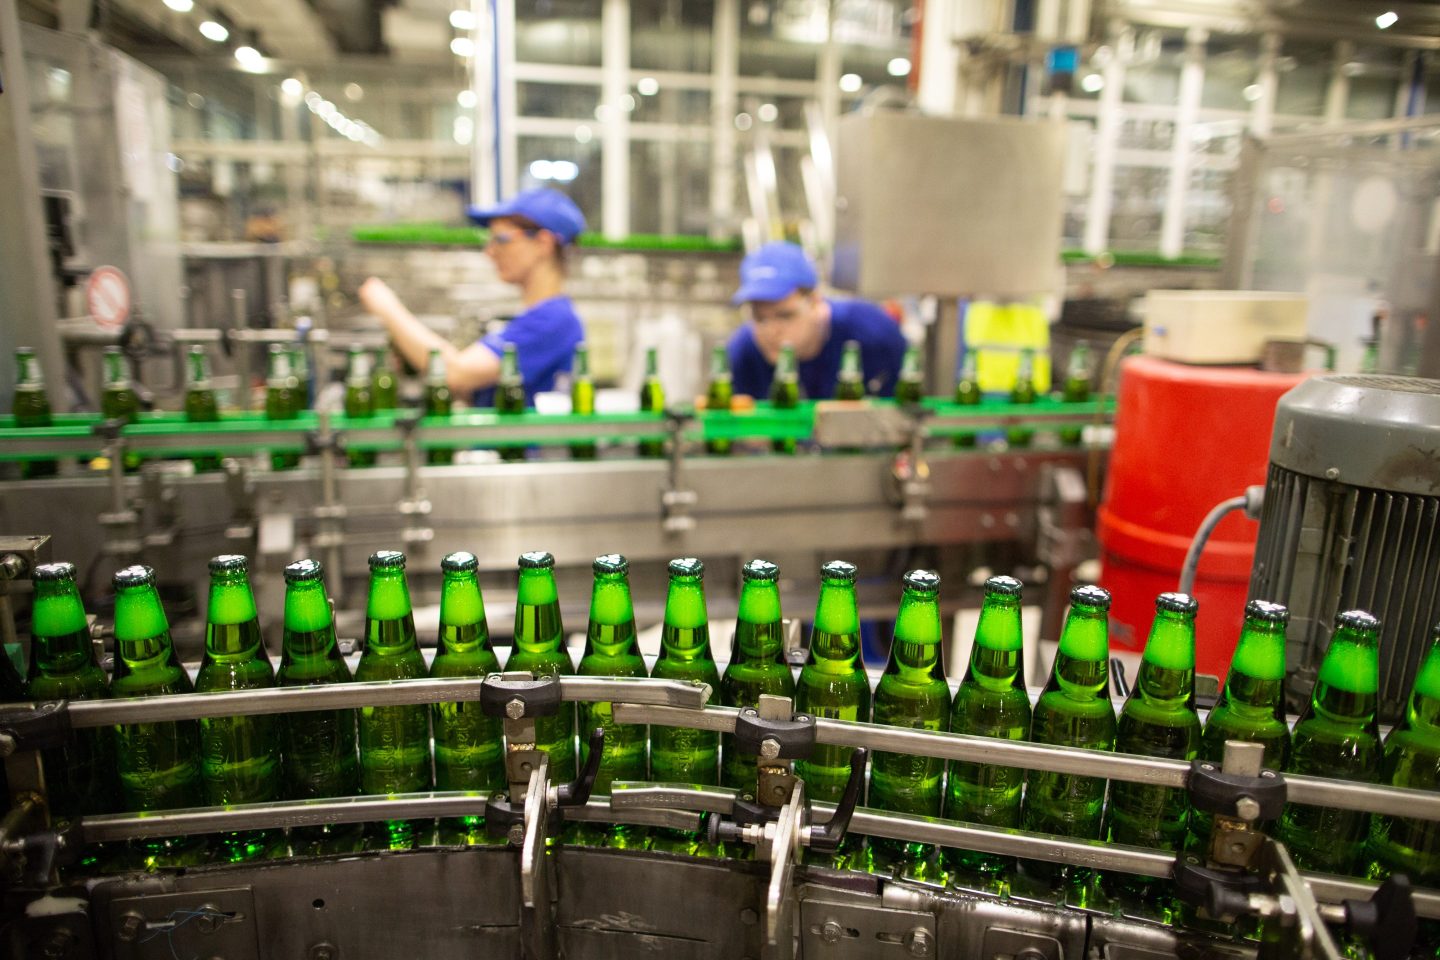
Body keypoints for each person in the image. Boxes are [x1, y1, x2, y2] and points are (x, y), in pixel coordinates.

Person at [358, 188, 586, 407]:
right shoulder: (538, 316)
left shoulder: (553, 320)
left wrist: (387, 308)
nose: (490, 251)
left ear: (543, 243)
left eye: (501, 239)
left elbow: (456, 373)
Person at [726, 242, 907, 400]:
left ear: (815, 302)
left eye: (785, 316)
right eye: (760, 318)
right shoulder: (743, 354)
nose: (771, 331)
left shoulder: (874, 336)